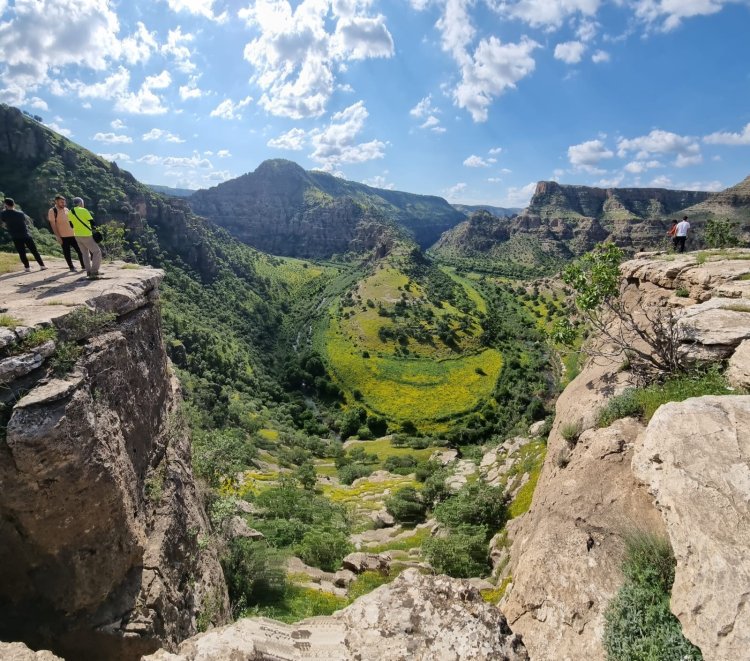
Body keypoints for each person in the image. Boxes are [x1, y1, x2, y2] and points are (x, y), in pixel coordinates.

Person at [0, 197, 47, 272]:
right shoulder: (20, 213)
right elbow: (25, 222)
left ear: (5, 204)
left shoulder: (3, 214)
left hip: (15, 236)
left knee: (21, 252)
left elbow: (3, 223)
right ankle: (42, 266)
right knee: (34, 251)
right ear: (14, 204)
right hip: (26, 234)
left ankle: (27, 267)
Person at [48, 194, 85, 272]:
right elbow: (53, 224)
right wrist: (58, 236)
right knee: (67, 252)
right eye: (61, 202)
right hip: (63, 236)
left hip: (73, 234)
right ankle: (71, 267)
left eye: (64, 202)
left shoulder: (66, 209)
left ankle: (83, 266)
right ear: (56, 202)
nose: (63, 204)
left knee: (80, 250)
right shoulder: (52, 211)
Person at [69, 196, 102, 279]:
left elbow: (71, 225)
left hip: (77, 235)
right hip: (86, 235)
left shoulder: (70, 212)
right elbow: (92, 222)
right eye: (83, 203)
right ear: (80, 203)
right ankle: (94, 271)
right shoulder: (84, 210)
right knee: (96, 251)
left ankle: (88, 271)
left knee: (85, 254)